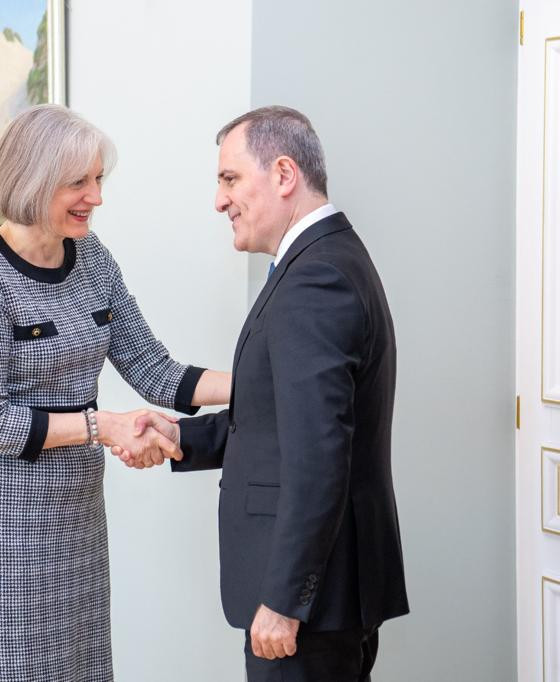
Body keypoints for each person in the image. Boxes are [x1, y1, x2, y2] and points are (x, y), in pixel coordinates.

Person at [0, 104, 230, 682]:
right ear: (32, 180)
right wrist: (103, 426)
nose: (95, 197)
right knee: (12, 667)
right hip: (1, 516)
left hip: (76, 506)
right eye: (79, 182)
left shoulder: (93, 260)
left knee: (80, 664)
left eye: (98, 179)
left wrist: (261, 384)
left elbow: (154, 369)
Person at [116, 106, 409, 681]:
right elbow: (280, 419)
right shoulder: (322, 260)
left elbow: (320, 453)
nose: (219, 201)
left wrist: (284, 601)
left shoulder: (315, 278)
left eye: (229, 179)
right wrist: (180, 436)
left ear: (283, 174)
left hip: (308, 605)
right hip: (326, 597)